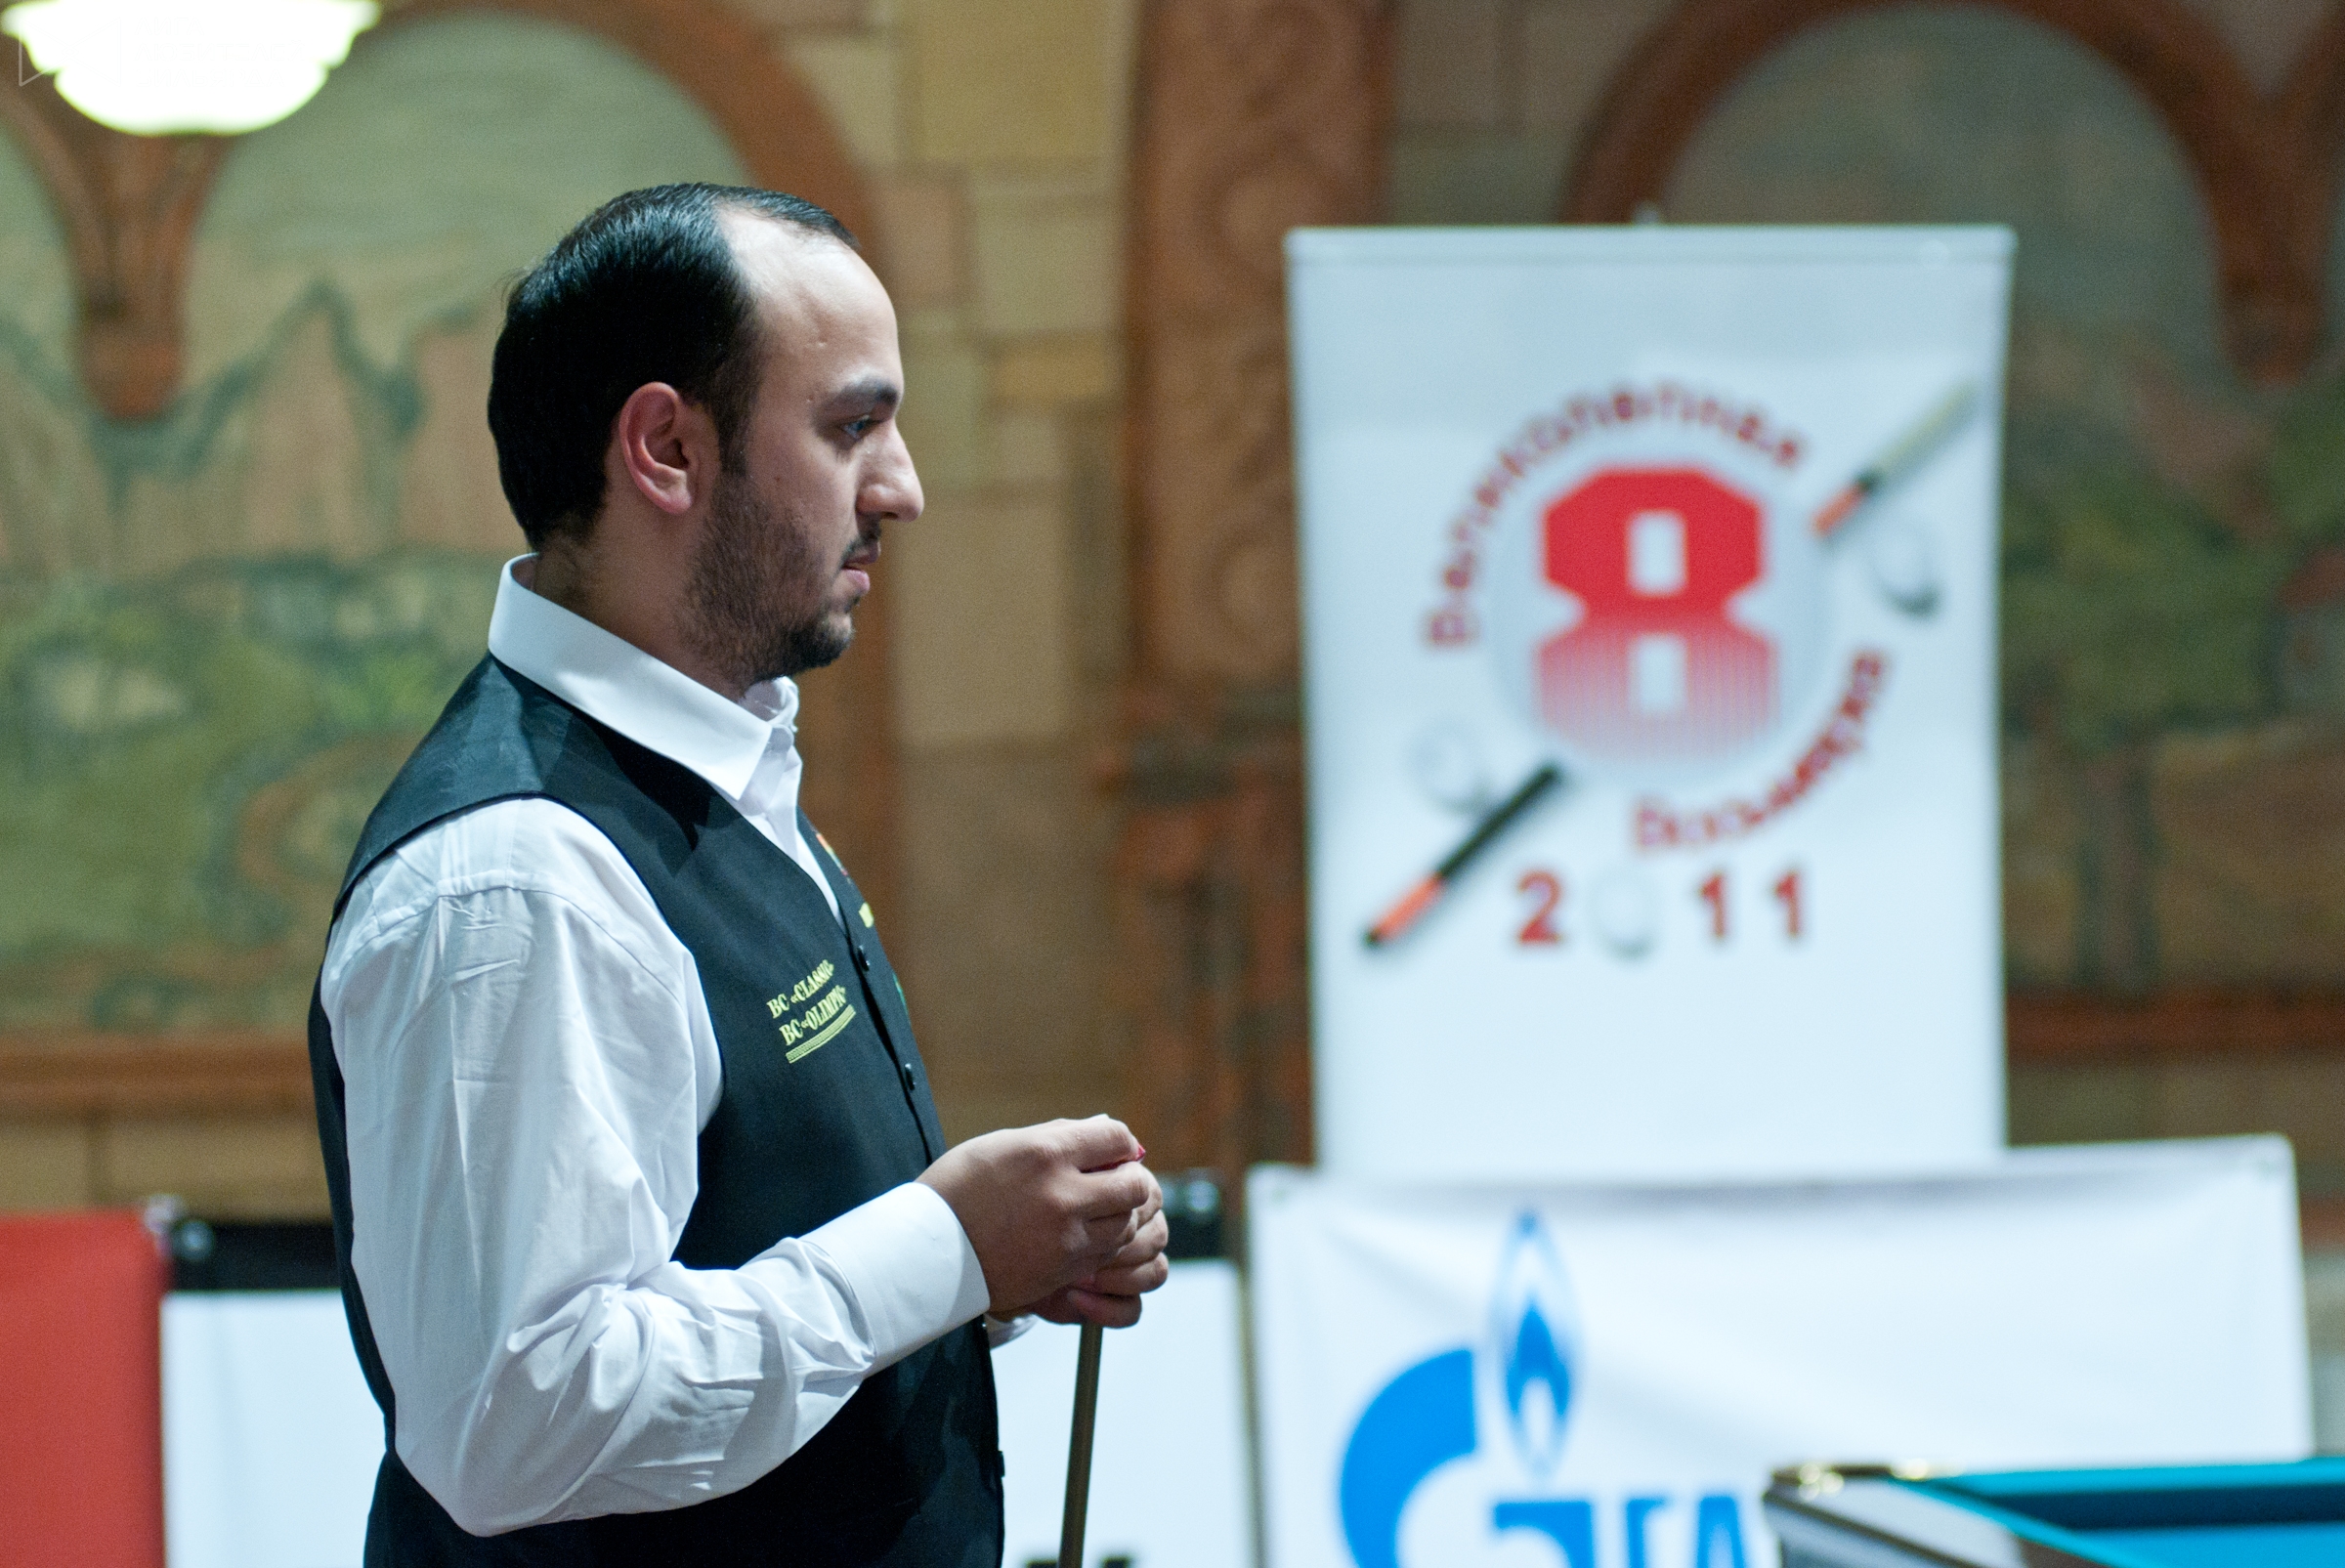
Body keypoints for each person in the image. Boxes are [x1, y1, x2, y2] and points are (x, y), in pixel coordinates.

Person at [307, 183, 1169, 1567]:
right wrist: (944, 1249)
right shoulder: (516, 877)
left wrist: (1002, 1259)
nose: (903, 488)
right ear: (666, 449)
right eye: (851, 427)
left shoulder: (723, 763)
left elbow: (738, 1236)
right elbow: (515, 1416)